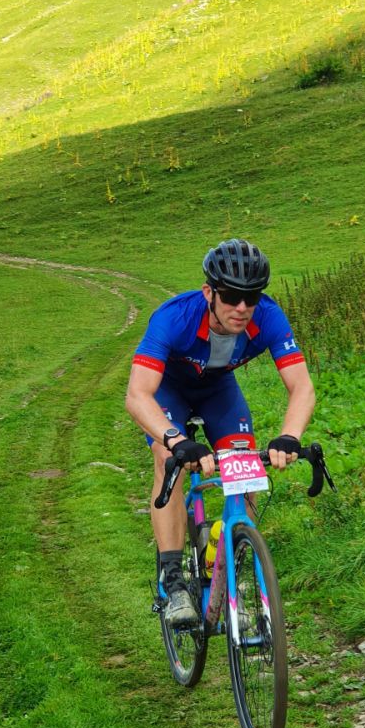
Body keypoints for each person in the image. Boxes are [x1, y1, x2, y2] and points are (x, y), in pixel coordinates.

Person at [124, 238, 316, 626]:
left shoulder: (269, 317)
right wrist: (177, 441)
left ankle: (224, 571)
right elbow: (137, 394)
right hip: (169, 391)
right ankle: (173, 581)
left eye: (252, 297)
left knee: (245, 470)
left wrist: (290, 436)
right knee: (168, 462)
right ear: (209, 292)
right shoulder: (174, 318)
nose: (242, 308)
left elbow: (302, 387)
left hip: (218, 391)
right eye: (230, 296)